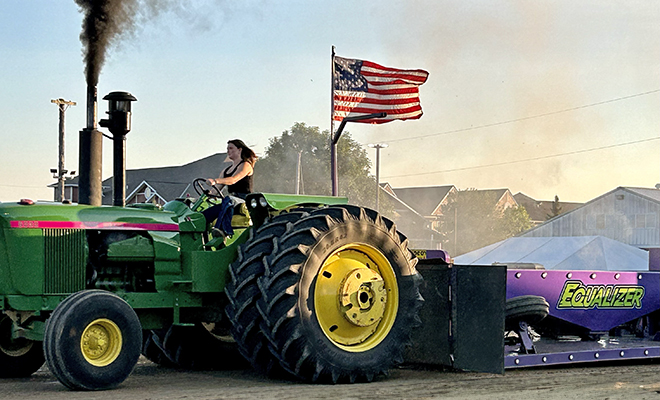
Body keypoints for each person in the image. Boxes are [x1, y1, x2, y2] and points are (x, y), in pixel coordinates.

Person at [202, 140, 257, 242]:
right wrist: (205, 195)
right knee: (203, 216)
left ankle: (222, 231)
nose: (228, 151)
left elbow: (233, 180)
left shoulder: (246, 165)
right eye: (227, 149)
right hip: (229, 202)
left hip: (243, 201)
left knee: (229, 200)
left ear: (239, 150)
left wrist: (215, 180)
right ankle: (204, 244)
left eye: (231, 148)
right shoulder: (226, 170)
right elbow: (216, 189)